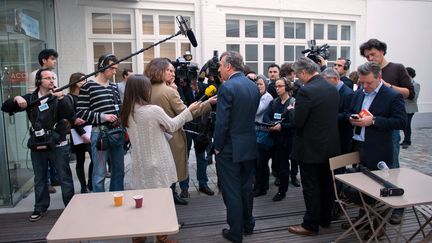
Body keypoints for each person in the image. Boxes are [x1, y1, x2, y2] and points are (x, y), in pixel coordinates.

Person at [120, 75, 201, 243]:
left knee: (142, 202)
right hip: (158, 161)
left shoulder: (127, 111)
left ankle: (139, 236)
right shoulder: (152, 110)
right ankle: (161, 237)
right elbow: (172, 125)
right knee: (160, 202)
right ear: (143, 90)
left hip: (140, 163)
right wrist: (189, 110)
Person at [2, 68, 75, 222]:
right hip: (38, 144)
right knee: (40, 178)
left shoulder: (58, 96)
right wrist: (16, 98)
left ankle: (70, 206)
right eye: (47, 78)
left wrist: (61, 98)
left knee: (65, 177)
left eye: (52, 78)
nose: (51, 81)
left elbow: (70, 114)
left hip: (58, 144)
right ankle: (40, 208)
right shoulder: (31, 98)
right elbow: (6, 107)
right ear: (38, 81)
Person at [347, 62, 406, 239]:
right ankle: (364, 220)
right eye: (362, 82)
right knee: (362, 187)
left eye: (368, 83)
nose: (364, 86)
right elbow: (351, 111)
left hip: (379, 149)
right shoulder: (359, 93)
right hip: (359, 145)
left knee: (379, 190)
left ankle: (378, 227)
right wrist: (353, 118)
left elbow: (400, 122)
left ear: (379, 78)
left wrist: (373, 121)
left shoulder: (392, 96)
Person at [145, 58, 216, 205]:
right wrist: (209, 103)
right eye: (169, 71)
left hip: (155, 136)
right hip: (172, 134)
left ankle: (170, 195)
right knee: (171, 168)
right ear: (159, 71)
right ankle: (170, 197)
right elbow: (187, 113)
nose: (173, 74)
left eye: (173, 71)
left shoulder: (147, 89)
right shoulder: (168, 91)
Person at [359, 38, 414, 224]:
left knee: (392, 167)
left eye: (372, 54)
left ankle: (398, 206)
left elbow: (410, 92)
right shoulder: (367, 73)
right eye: (367, 56)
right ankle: (373, 207)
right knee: (372, 169)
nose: (370, 58)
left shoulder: (397, 68)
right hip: (370, 129)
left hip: (388, 125)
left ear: (382, 52)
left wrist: (386, 86)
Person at [288, 57, 340, 236]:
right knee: (326, 185)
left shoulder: (306, 91)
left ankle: (310, 224)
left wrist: (292, 110)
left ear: (303, 72)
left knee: (311, 187)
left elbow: (298, 121)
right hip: (330, 147)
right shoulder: (331, 88)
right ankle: (325, 219)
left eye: (297, 74)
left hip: (310, 148)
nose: (296, 78)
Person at [213, 51, 260, 243]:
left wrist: (217, 146)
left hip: (230, 148)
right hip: (249, 144)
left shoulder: (227, 87)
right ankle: (248, 224)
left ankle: (235, 231)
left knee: (232, 190)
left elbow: (222, 122)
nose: (218, 70)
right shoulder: (253, 86)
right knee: (246, 188)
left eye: (220, 66)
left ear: (228, 66)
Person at [76, 53, 125, 193]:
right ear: (102, 66)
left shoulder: (114, 87)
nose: (115, 72)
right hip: (99, 133)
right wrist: (103, 117)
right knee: (99, 173)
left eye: (116, 68)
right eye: (112, 68)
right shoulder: (88, 86)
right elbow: (81, 112)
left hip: (116, 133)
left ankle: (117, 198)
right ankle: (99, 202)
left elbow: (119, 108)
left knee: (119, 170)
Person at [27, 48, 60, 194]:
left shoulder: (54, 75)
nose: (54, 61)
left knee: (53, 147)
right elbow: (31, 98)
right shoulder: (34, 75)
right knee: (42, 151)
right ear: (44, 60)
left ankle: (54, 178)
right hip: (40, 118)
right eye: (52, 59)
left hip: (53, 119)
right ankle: (46, 183)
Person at [263, 77, 296, 201]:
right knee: (273, 164)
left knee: (283, 166)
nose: (277, 89)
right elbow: (266, 115)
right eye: (276, 86)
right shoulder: (275, 101)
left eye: (280, 86)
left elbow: (294, 123)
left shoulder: (292, 102)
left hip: (286, 139)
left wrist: (281, 126)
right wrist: (270, 123)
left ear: (287, 87)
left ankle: (282, 191)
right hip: (274, 137)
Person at [67, 72, 93, 193]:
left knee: (94, 159)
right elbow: (72, 118)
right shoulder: (70, 98)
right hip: (77, 133)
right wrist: (82, 133)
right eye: (82, 80)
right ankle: (83, 186)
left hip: (89, 130)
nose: (85, 82)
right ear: (76, 82)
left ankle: (90, 183)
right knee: (80, 160)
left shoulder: (87, 95)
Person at [322, 67, 354, 154]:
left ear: (335, 78)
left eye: (325, 80)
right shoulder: (330, 90)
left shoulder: (348, 93)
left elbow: (348, 114)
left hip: (342, 134)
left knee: (340, 162)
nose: (324, 83)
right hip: (332, 133)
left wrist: (328, 117)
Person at [253, 75, 273, 197]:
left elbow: (257, 110)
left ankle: (262, 187)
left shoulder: (267, 97)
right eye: (256, 84)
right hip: (256, 133)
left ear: (265, 85)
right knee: (258, 162)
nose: (258, 86)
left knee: (262, 163)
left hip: (263, 133)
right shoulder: (258, 96)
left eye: (260, 84)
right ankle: (260, 186)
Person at [401, 67, 421, 149]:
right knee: (403, 125)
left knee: (407, 125)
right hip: (402, 108)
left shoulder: (415, 85)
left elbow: (413, 97)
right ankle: (405, 140)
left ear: (410, 75)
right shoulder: (404, 84)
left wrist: (404, 94)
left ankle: (407, 141)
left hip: (410, 108)